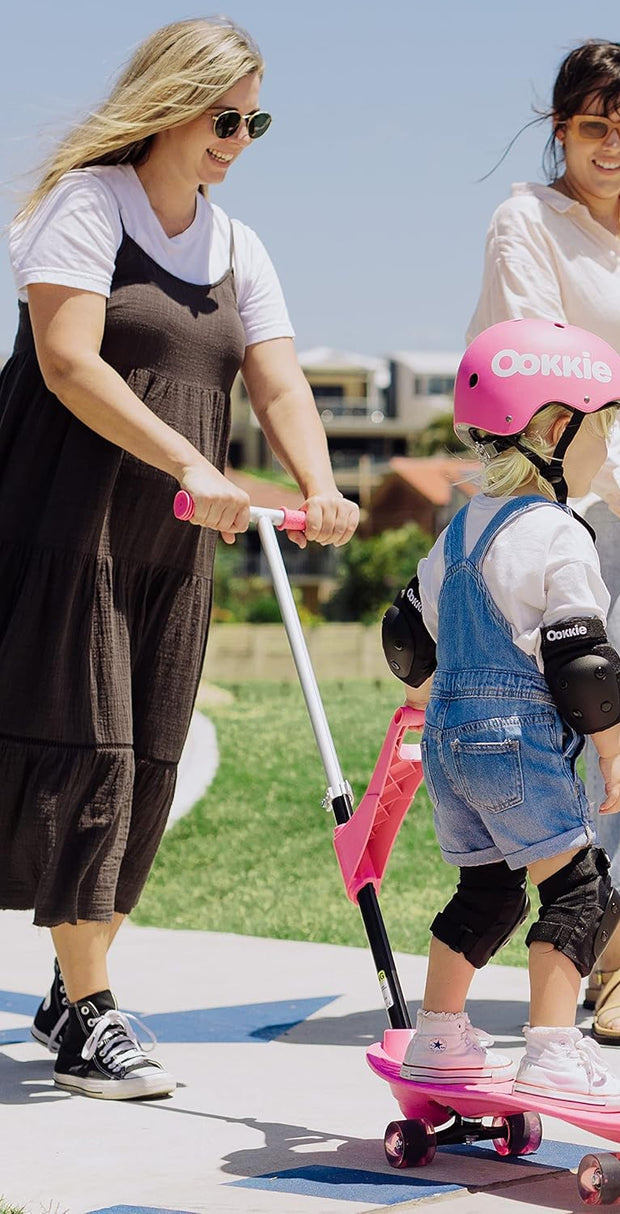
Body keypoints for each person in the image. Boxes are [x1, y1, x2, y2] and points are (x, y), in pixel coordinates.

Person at [0, 17, 359, 1100]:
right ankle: (92, 1012)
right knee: (91, 751)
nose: (239, 137)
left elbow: (279, 382)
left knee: (149, 757)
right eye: (224, 115)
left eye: (256, 120)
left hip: (174, 544)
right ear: (169, 100)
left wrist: (319, 483)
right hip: (69, 528)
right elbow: (66, 362)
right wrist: (190, 464)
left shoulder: (237, 243)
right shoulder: (86, 207)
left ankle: (78, 982)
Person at [468, 39, 620, 1047]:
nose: (615, 145)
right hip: (594, 497)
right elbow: (542, 374)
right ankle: (594, 963)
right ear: (559, 126)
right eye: (595, 125)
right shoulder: (526, 221)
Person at [382, 318, 620, 1108]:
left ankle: (440, 1034)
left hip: (449, 745)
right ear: (557, 430)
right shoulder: (558, 534)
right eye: (606, 429)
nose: (611, 450)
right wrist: (610, 750)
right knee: (582, 892)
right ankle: (554, 1050)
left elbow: (405, 635)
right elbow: (581, 659)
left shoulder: (457, 530)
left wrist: (436, 704)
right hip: (518, 741)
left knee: (487, 892)